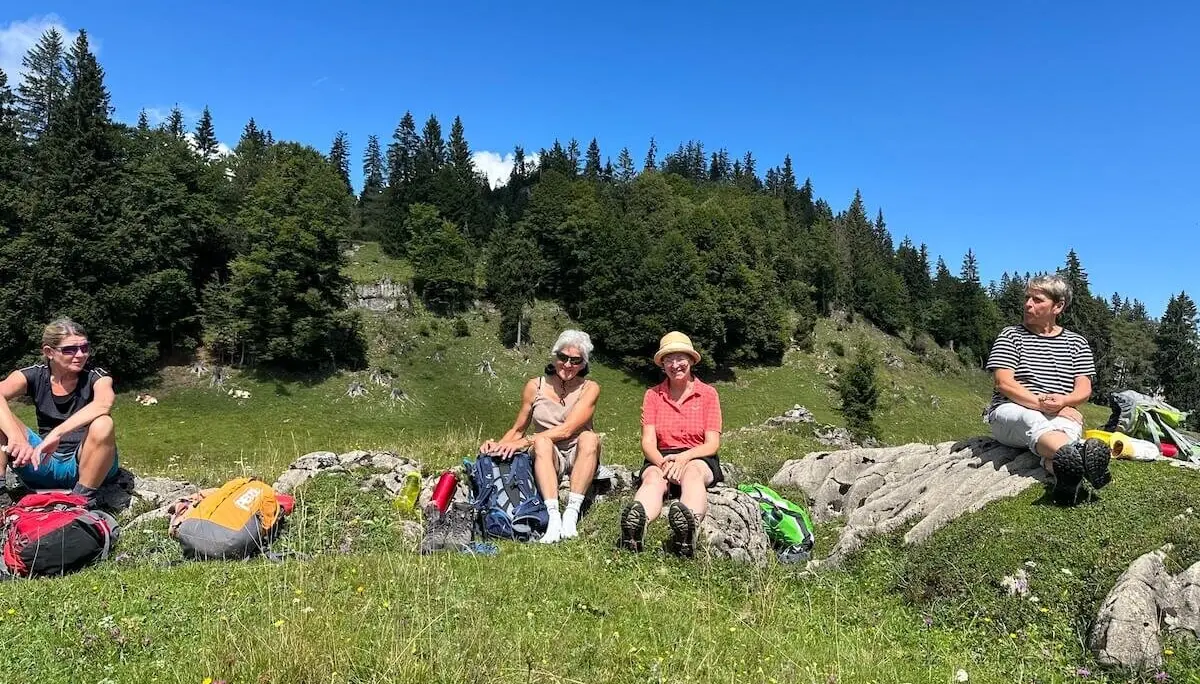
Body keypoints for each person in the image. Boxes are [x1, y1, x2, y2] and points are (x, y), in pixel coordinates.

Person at [984, 274, 1111, 503]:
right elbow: (1004, 383)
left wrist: (1064, 402)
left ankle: (1068, 477)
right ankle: (1083, 453)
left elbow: (1083, 388)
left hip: (1059, 412)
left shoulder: (1077, 343)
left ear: (1058, 306)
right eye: (1027, 298)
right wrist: (1046, 406)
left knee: (1062, 440)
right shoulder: (1011, 335)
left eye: (1037, 300)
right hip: (1010, 412)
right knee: (1031, 419)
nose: (1028, 304)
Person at [479, 329, 601, 543]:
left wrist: (524, 442)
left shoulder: (589, 388)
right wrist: (498, 445)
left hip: (578, 451)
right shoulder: (535, 386)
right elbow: (518, 428)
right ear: (555, 357)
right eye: (563, 358)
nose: (568, 365)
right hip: (546, 452)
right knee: (543, 440)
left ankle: (571, 513)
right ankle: (553, 516)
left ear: (584, 364)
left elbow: (567, 430)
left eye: (575, 360)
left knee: (590, 438)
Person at [619, 331, 722, 558]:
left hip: (698, 456)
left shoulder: (708, 394)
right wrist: (663, 464)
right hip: (661, 456)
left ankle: (687, 530)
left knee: (693, 474)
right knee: (653, 479)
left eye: (680, 358)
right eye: (669, 359)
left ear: (691, 360)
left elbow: (712, 443)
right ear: (662, 364)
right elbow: (647, 442)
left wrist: (684, 458)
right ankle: (636, 527)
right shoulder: (652, 396)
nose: (675, 364)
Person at [0, 318, 121, 502]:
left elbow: (103, 404)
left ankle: (81, 501)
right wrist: (15, 436)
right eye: (70, 350)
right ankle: (1, 497)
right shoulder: (35, 375)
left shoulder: (97, 377)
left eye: (84, 348)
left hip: (88, 464)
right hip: (43, 462)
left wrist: (57, 433)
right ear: (49, 352)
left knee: (103, 423)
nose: (80, 355)